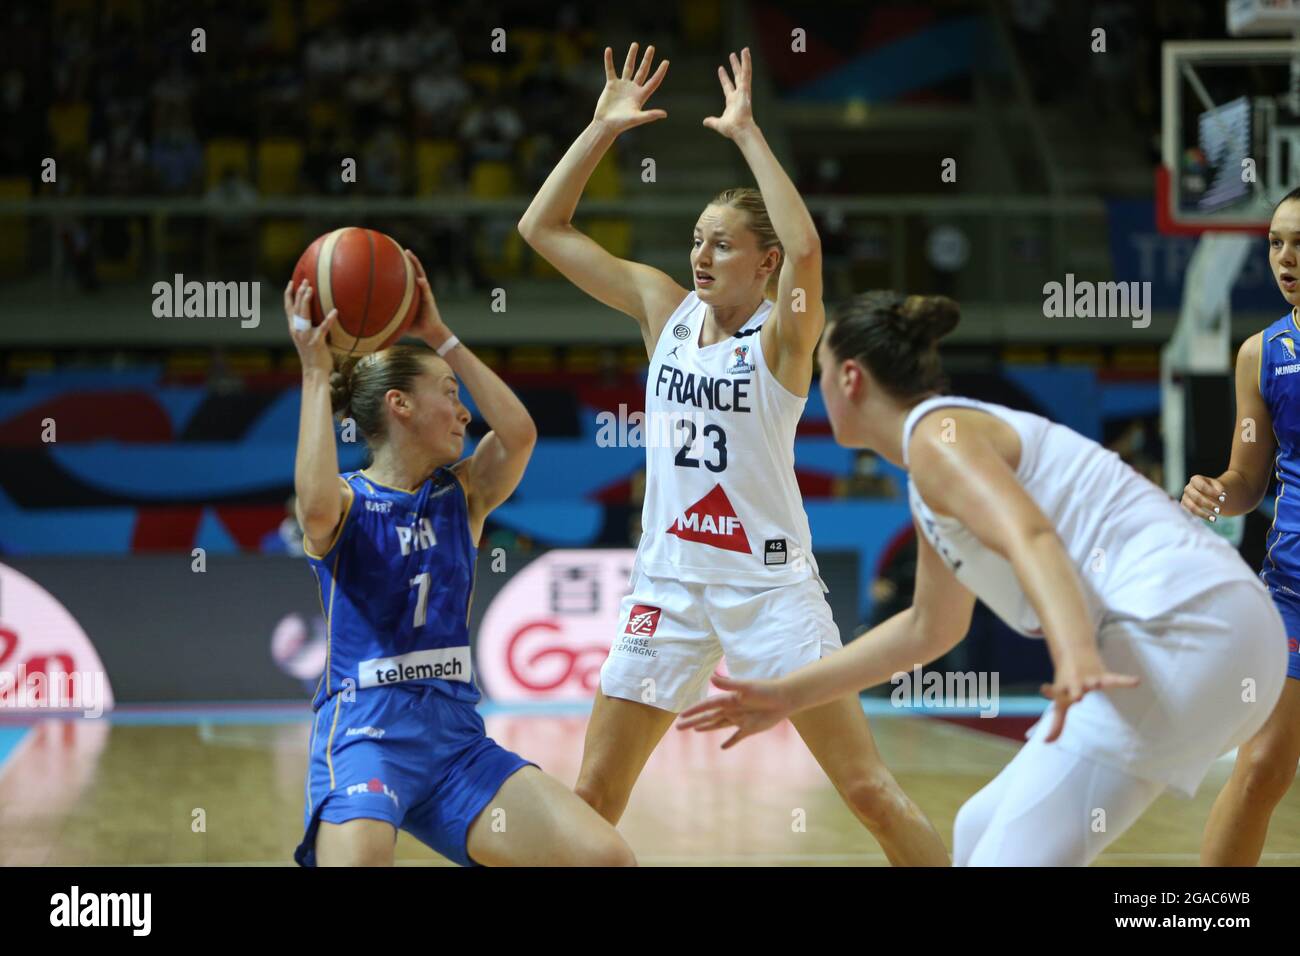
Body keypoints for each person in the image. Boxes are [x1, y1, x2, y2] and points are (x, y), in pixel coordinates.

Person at [518, 43, 948, 865]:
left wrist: (748, 133)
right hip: (670, 585)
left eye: (721, 244)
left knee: (866, 791)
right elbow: (541, 228)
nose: (700, 256)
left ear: (766, 262)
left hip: (770, 590)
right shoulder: (660, 307)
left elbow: (813, 253)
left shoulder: (785, 340)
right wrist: (601, 129)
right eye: (696, 240)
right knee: (592, 798)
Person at [679, 290, 1288, 866]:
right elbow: (927, 630)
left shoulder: (937, 439)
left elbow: (1031, 535)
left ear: (850, 378)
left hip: (1185, 631)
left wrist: (1074, 655)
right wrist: (790, 694)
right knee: (973, 830)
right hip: (1221, 636)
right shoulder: (937, 461)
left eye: (821, 369)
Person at [287, 254, 634, 866]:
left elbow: (520, 433)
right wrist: (316, 374)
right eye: (449, 394)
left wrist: (440, 336)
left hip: (454, 740)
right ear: (399, 405)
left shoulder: (463, 495)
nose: (465, 410)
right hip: (368, 729)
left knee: (604, 859)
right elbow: (312, 506)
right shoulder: (345, 502)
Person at [1181, 186, 1300, 865]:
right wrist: (1214, 492)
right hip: (1292, 589)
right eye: (1276, 242)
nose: (1286, 258)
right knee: (1259, 769)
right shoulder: (1261, 353)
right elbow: (1247, 481)